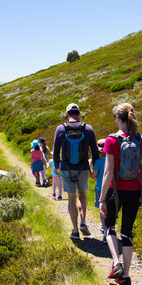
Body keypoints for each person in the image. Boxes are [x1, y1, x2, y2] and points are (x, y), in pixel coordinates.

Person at [99, 103, 142, 285]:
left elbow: (108, 172)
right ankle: (125, 276)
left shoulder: (111, 140)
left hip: (114, 191)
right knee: (127, 232)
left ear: (118, 118)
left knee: (109, 226)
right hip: (134, 191)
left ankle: (116, 263)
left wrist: (102, 198)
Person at [52, 103, 100, 240]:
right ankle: (83, 221)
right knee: (82, 194)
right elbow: (95, 151)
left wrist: (56, 165)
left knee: (71, 198)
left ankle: (75, 230)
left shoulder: (60, 129)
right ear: (78, 114)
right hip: (83, 168)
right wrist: (95, 169)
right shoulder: (88, 129)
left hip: (66, 168)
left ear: (67, 114)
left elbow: (56, 151)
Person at [90, 139, 107, 243]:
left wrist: (89, 166)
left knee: (102, 211)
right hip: (111, 188)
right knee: (110, 209)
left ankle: (105, 233)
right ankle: (110, 229)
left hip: (100, 188)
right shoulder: (113, 160)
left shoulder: (99, 162)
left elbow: (93, 176)